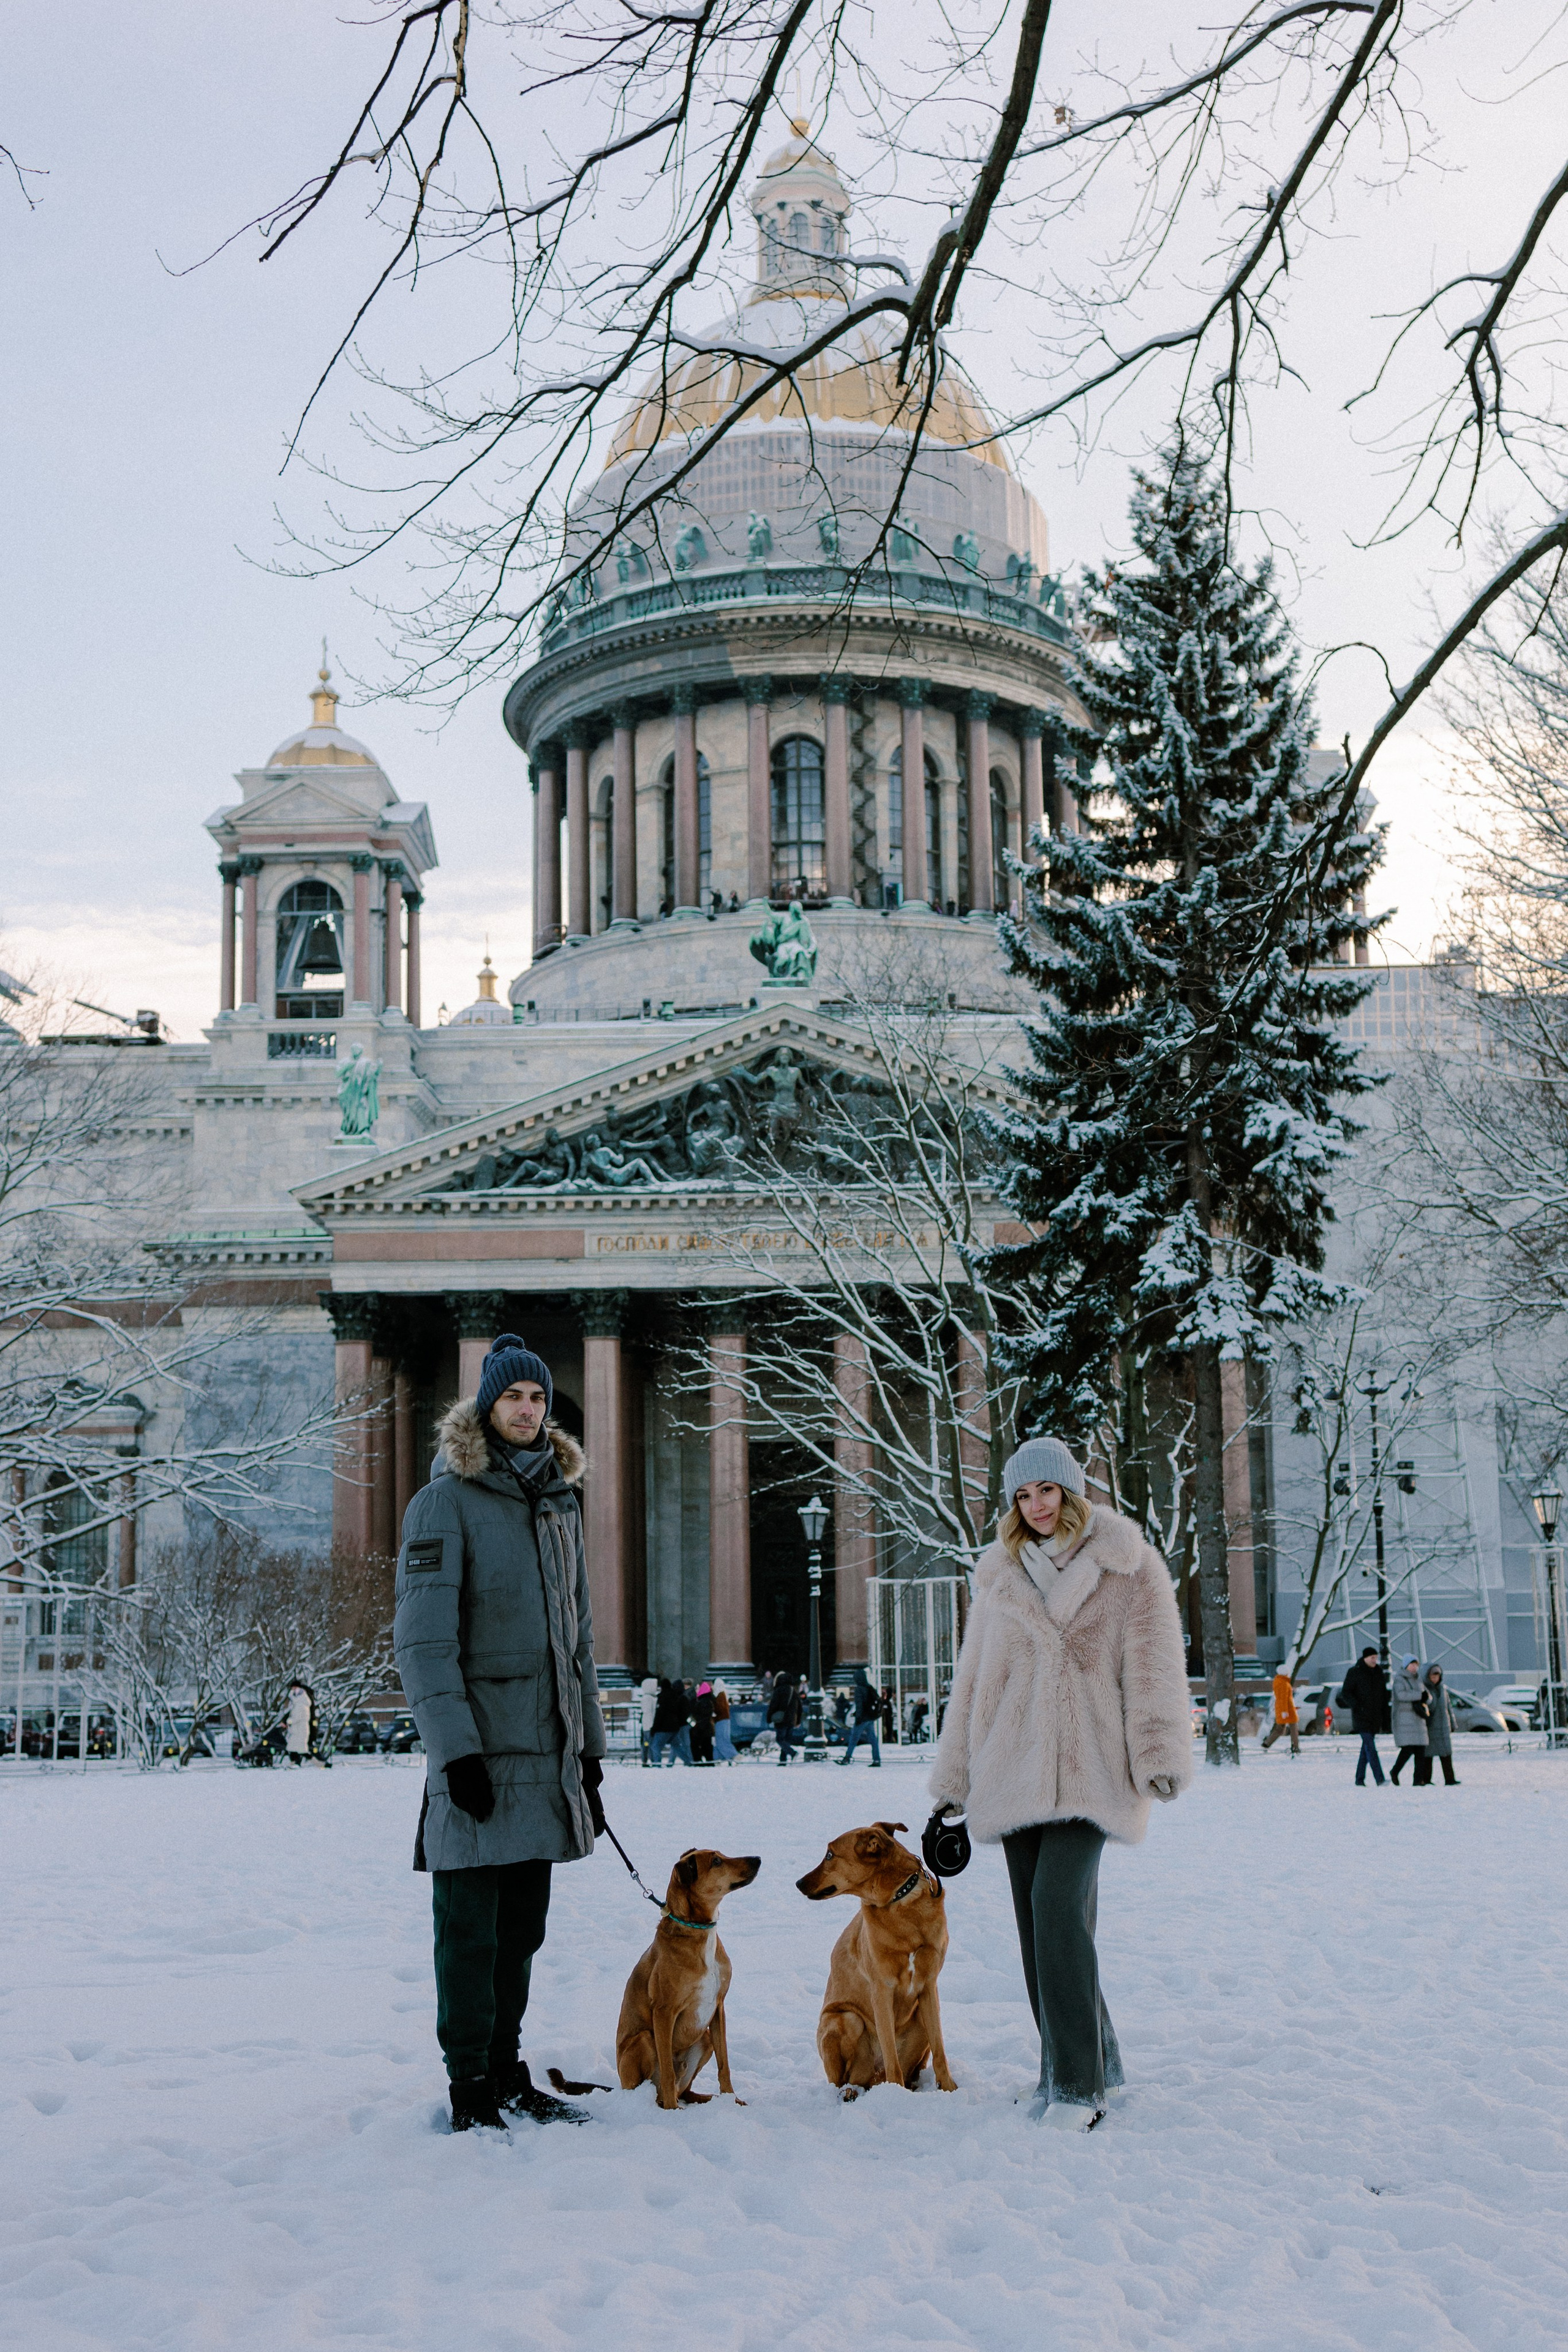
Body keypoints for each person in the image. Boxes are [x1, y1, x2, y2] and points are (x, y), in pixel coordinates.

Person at [930, 1437, 1191, 2130]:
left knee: (1056, 1911)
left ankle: (1079, 2089)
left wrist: (1159, 1753)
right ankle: (1078, 2061)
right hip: (1011, 1771)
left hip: (1092, 1770)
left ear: (1072, 1492)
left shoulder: (1128, 1568)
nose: (1035, 1506)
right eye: (1022, 1495)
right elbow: (974, 1685)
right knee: (1037, 1927)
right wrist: (955, 1778)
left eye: (1046, 1491)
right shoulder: (1000, 1575)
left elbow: (1154, 1667)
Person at [393, 1333, 605, 2135]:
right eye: (514, 1397)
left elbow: (577, 1641)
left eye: (538, 1398)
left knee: (522, 1932)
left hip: (543, 1755)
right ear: (486, 1408)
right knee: (469, 1935)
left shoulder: (557, 1502)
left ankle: (508, 2068)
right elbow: (422, 1643)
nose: (527, 1409)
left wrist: (586, 1752)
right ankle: (470, 2085)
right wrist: (457, 1754)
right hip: (479, 1755)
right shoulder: (443, 1502)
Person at [1336, 1646, 1389, 1785]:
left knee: (1366, 1749)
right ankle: (1380, 1779)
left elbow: (1384, 1696)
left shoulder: (1378, 1673)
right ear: (1365, 1658)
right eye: (1372, 1658)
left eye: (1376, 1658)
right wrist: (1357, 1706)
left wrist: (1385, 1718)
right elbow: (1346, 1692)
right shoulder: (1355, 1672)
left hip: (1375, 1716)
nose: (1374, 1661)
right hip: (1361, 1716)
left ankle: (1359, 1779)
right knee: (1371, 1748)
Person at [1414, 1663, 1459, 1785]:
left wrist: (1453, 1724)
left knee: (1446, 1754)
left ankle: (1450, 1779)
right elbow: (1429, 1707)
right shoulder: (1424, 1689)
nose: (1435, 1679)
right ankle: (1427, 1779)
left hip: (1443, 1726)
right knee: (1428, 1755)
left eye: (1437, 1676)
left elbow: (1448, 1707)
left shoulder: (1442, 1689)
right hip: (1430, 1727)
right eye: (1433, 1676)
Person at [1390, 1656, 1431, 1784]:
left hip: (1419, 1718)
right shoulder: (1399, 1679)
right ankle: (1395, 1771)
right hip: (1405, 1719)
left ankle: (1418, 1780)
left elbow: (1428, 1696)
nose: (1414, 1668)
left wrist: (1426, 1698)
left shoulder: (1419, 1679)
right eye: (1412, 1665)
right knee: (1408, 1749)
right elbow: (1401, 1695)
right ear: (1406, 1665)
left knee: (1421, 1750)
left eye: (1416, 1665)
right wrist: (1419, 1696)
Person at [838, 1667, 883, 1768]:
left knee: (854, 1738)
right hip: (870, 1718)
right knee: (873, 1740)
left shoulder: (859, 1689)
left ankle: (847, 1758)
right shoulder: (869, 1687)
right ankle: (877, 1759)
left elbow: (860, 1705)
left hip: (862, 1719)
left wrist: (858, 1718)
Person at [649, 1678, 693, 1767]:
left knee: (655, 1746)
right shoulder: (676, 1697)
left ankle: (657, 1764)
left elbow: (660, 1714)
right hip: (675, 1726)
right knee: (677, 1746)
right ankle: (688, 1761)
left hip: (664, 1727)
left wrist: (654, 1728)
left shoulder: (662, 1697)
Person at [1261, 1668, 1301, 1755]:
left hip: (1285, 1709)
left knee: (1280, 1729)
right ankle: (1295, 1747)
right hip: (1287, 1710)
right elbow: (1283, 1699)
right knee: (1293, 1729)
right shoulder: (1284, 1683)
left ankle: (1267, 1744)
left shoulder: (1280, 1681)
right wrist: (1285, 1711)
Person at [770, 1667, 801, 1763]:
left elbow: (773, 1705)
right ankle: (783, 1760)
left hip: (781, 1720)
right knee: (786, 1740)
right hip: (791, 1720)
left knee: (780, 1739)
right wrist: (798, 1720)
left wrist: (769, 1717)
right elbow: (800, 1706)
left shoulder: (778, 1690)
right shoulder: (793, 1691)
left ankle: (793, 1753)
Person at [691, 1682, 716, 1766]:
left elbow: (700, 1715)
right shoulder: (710, 1701)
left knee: (696, 1746)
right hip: (707, 1728)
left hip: (700, 1729)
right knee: (707, 1746)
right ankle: (710, 1762)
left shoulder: (702, 1702)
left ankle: (699, 1762)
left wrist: (696, 1725)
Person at [712, 1680, 737, 1763]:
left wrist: (713, 1711)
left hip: (721, 1720)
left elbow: (720, 1709)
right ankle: (721, 1757)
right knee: (723, 1739)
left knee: (721, 1740)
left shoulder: (720, 1695)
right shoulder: (724, 1694)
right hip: (725, 1720)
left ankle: (733, 1755)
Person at [638, 1673, 659, 1767]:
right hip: (649, 1726)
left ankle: (646, 1760)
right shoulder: (648, 1698)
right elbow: (648, 1713)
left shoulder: (650, 1697)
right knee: (649, 1743)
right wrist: (652, 1725)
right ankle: (649, 1760)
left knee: (647, 1743)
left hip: (647, 1725)